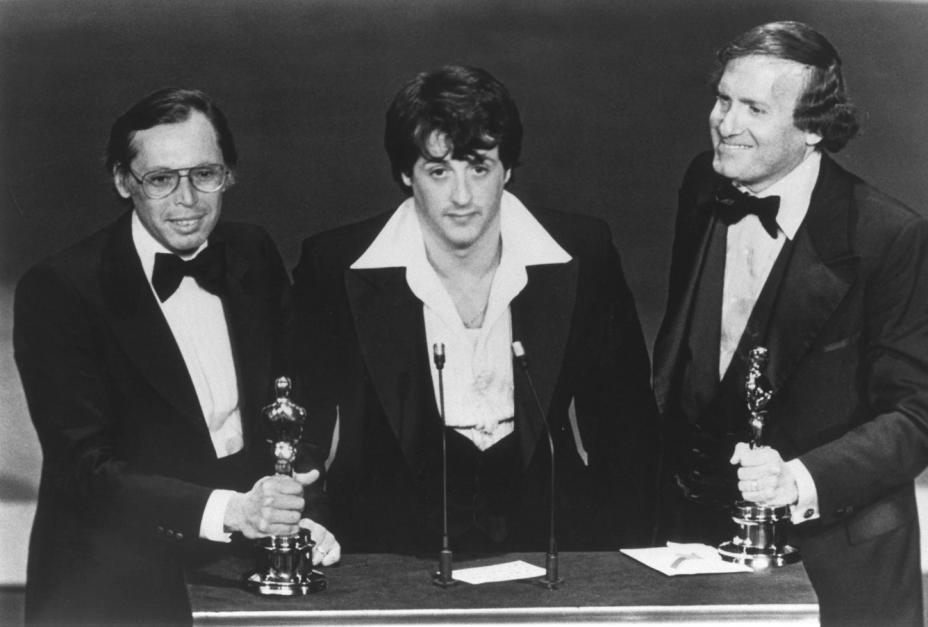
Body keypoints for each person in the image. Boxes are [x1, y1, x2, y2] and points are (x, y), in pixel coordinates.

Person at [652, 21, 928, 626]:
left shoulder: (891, 239)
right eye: (724, 98)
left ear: (813, 128)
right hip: (697, 546)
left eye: (754, 108)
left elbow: (916, 418)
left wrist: (798, 479)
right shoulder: (703, 184)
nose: (726, 124)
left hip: (839, 563)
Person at [291, 65, 660, 555]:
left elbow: (625, 427)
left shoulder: (582, 253)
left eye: (479, 167)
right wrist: (310, 528)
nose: (461, 196)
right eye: (439, 170)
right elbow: (300, 430)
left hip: (553, 544)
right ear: (406, 173)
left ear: (507, 169)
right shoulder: (336, 265)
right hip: (386, 551)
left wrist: (623, 568)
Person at [13, 88, 339, 625]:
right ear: (124, 182)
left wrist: (301, 513)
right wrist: (232, 510)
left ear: (228, 173)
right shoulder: (60, 289)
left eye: (204, 174)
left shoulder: (252, 252)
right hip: (109, 582)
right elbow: (85, 468)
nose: (187, 199)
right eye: (161, 179)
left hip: (241, 569)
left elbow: (295, 405)